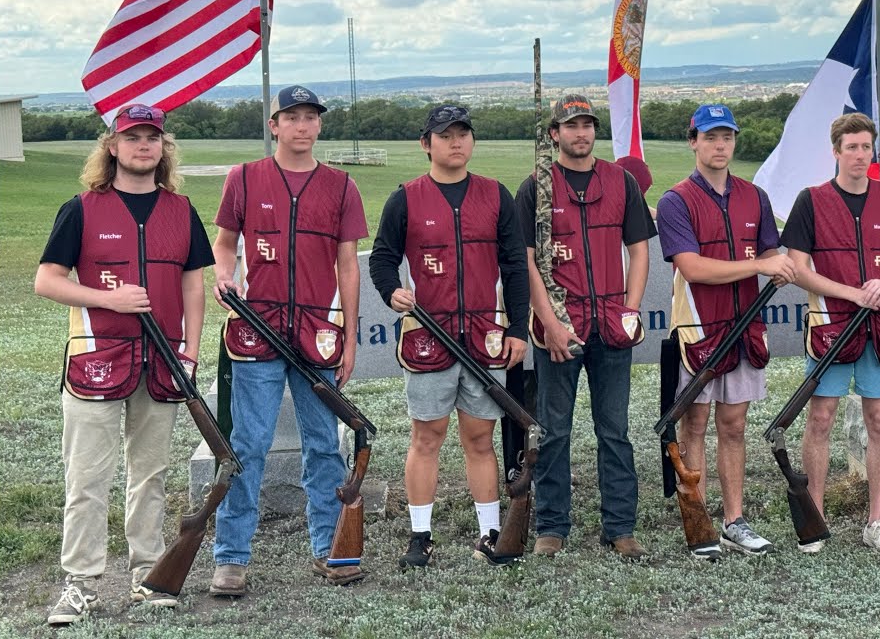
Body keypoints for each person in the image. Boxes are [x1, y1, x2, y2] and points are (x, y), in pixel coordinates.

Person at [35, 105, 213, 624]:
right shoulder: (81, 209)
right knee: (87, 478)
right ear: (112, 146)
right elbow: (47, 280)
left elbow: (193, 284)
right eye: (132, 136)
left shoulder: (181, 210)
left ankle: (148, 572)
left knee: (150, 474)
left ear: (163, 147)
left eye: (152, 137)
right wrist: (108, 299)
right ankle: (81, 583)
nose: (143, 145)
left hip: (164, 361)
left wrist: (191, 351)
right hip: (95, 360)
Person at [210, 85, 369, 595]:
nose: (302, 125)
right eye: (292, 117)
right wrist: (224, 275)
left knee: (324, 445)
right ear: (274, 125)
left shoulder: (341, 186)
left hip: (317, 335)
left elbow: (348, 265)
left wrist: (349, 337)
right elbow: (225, 243)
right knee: (248, 444)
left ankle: (330, 548)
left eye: (311, 117)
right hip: (256, 330)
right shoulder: (244, 177)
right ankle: (231, 555)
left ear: (319, 125)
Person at [369, 105, 530, 567]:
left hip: (485, 336)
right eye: (445, 135)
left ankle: (490, 533)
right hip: (428, 336)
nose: (456, 142)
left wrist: (517, 329)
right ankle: (420, 536)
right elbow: (382, 258)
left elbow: (515, 266)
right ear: (426, 144)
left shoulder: (495, 195)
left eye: (463, 133)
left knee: (480, 438)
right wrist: (391, 291)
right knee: (427, 436)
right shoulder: (405, 198)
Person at [515, 93, 655, 559]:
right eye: (571, 125)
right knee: (554, 430)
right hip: (560, 327)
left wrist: (630, 309)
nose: (581, 133)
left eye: (587, 125)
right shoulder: (536, 188)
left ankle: (620, 526)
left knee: (614, 430)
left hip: (611, 324)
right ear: (554, 134)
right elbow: (526, 262)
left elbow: (639, 250)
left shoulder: (621, 182)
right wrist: (549, 321)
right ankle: (552, 526)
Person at [656, 104, 797, 558]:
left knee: (734, 425)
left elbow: (770, 251)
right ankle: (697, 521)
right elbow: (693, 268)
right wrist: (759, 266)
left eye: (727, 137)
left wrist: (777, 265)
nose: (720, 145)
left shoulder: (755, 197)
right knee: (694, 425)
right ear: (693, 141)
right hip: (697, 328)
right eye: (710, 137)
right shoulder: (675, 201)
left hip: (745, 326)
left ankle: (734, 521)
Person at [778, 112, 880, 554]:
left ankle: (876, 521)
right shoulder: (811, 200)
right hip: (830, 327)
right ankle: (816, 518)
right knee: (820, 418)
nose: (860, 155)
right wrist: (851, 293)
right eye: (852, 147)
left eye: (866, 147)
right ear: (836, 151)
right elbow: (798, 269)